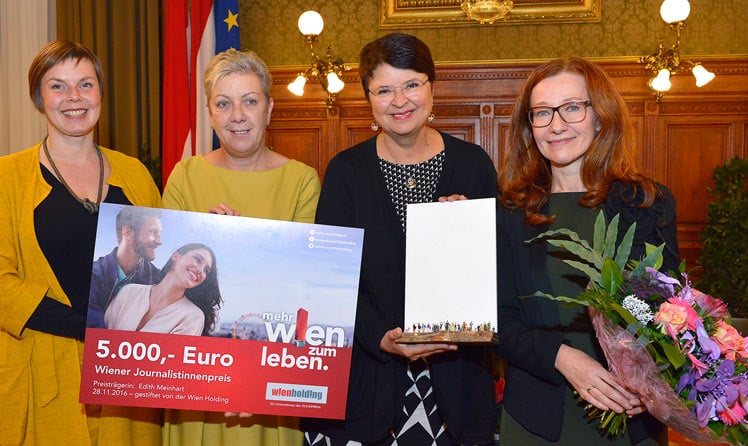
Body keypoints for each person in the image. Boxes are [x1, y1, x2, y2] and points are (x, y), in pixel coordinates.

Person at [301, 33, 499, 446]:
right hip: (367, 384)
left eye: (412, 84)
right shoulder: (345, 173)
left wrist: (468, 235)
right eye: (385, 89)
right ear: (369, 99)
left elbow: (498, 270)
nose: (400, 100)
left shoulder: (473, 165)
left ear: (432, 87)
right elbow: (329, 280)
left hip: (458, 384)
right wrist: (379, 337)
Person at [495, 57, 680, 445]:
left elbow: (671, 311)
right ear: (530, 127)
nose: (557, 125)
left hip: (632, 413)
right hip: (539, 417)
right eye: (542, 113)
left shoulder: (647, 202)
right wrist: (563, 358)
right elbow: (500, 319)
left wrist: (646, 379)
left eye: (572, 108)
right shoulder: (510, 211)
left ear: (600, 117)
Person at [0, 40, 162, 444]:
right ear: (39, 97)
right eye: (58, 86)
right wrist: (88, 326)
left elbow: (157, 266)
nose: (73, 97)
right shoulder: (7, 178)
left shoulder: (136, 174)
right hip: (42, 375)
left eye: (85, 84)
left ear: (101, 94)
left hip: (127, 380)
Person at [162, 48, 320, 445]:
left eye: (250, 101)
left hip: (270, 380)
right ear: (209, 112)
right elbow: (167, 285)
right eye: (223, 103)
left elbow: (304, 286)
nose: (237, 115)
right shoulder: (184, 176)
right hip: (196, 377)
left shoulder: (303, 180)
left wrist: (237, 250)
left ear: (269, 108)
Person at [105, 243, 220, 336]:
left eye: (206, 271)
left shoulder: (193, 316)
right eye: (197, 259)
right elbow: (101, 336)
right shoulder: (129, 292)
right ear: (176, 256)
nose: (200, 270)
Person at [88, 206, 163, 328]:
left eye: (159, 233)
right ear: (128, 232)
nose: (160, 241)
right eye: (153, 232)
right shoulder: (95, 274)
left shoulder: (158, 279)